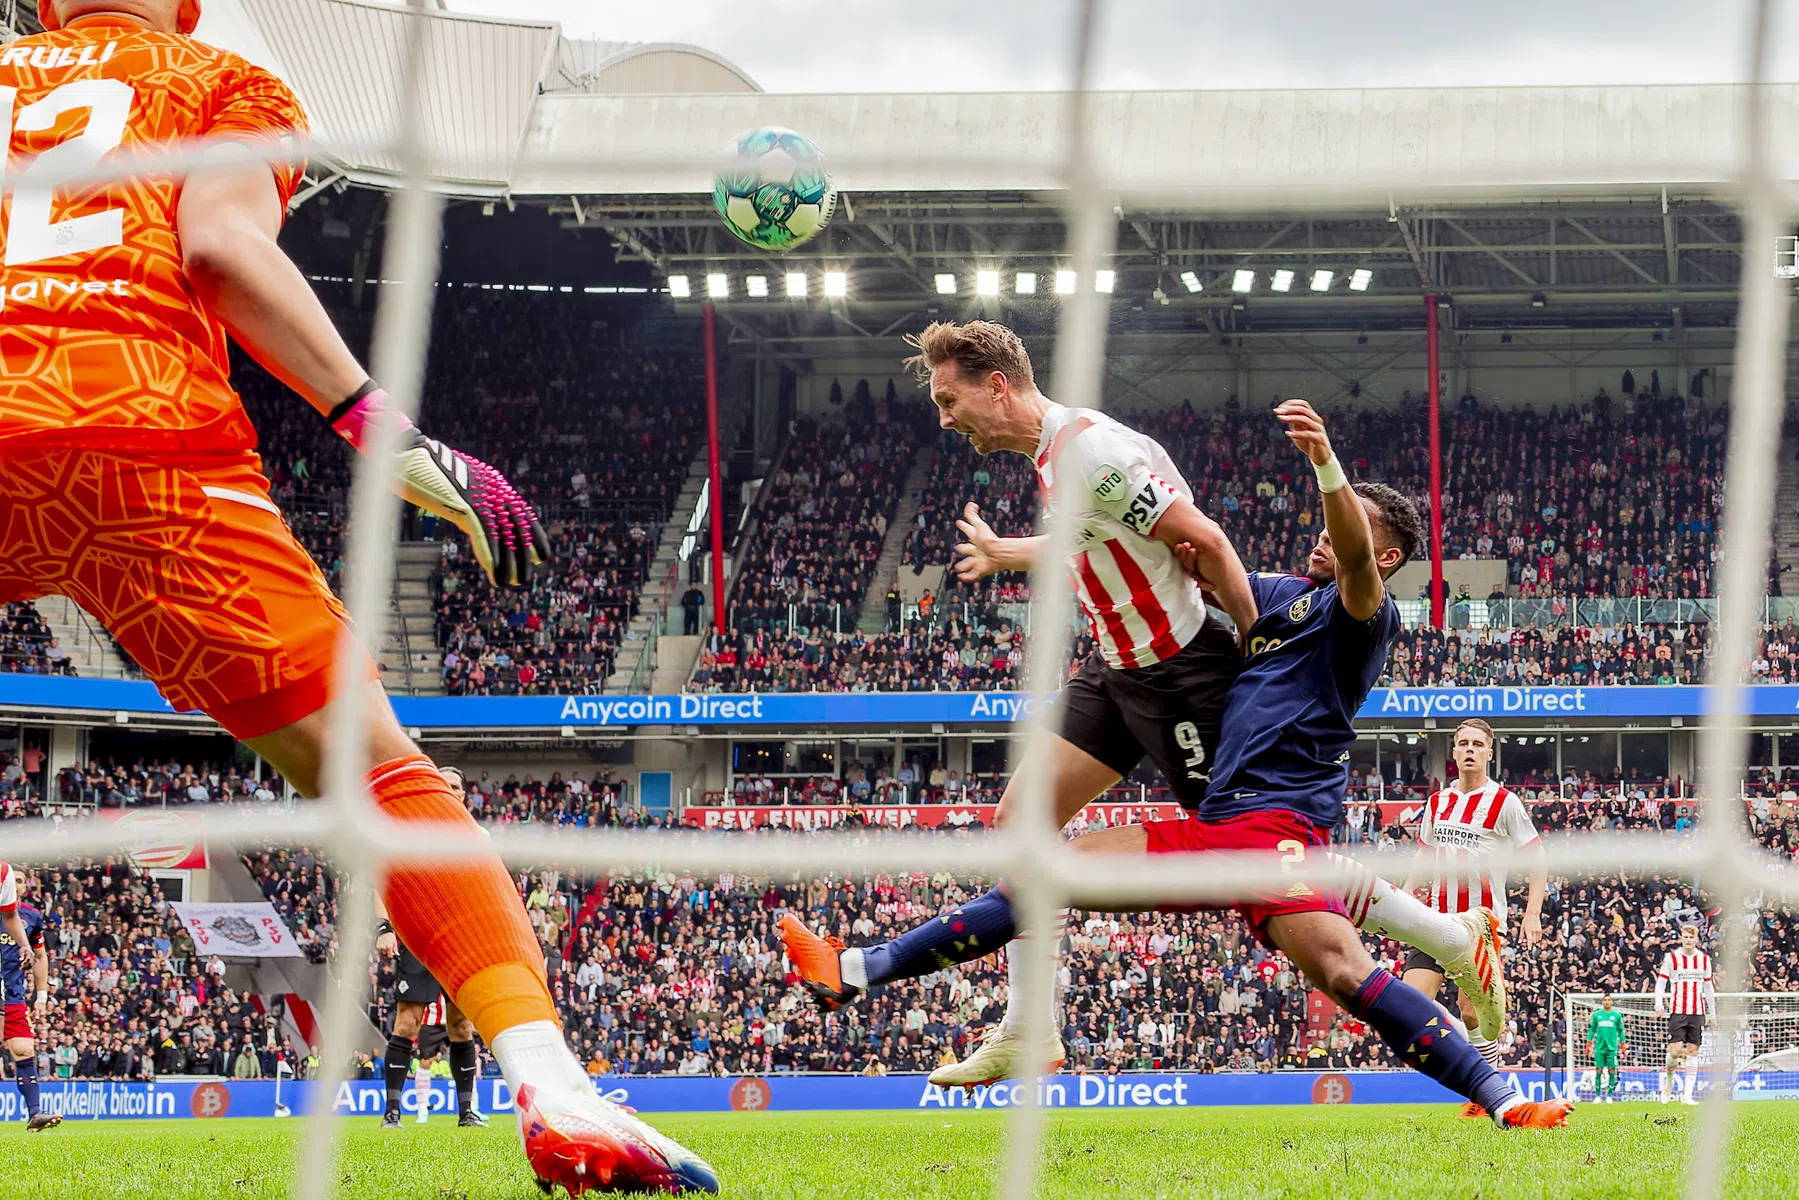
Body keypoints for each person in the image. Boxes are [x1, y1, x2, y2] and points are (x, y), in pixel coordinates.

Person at [0, 6, 713, 1192]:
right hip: (142, 440)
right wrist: (386, 433)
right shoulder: (220, 78)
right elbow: (223, 251)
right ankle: (553, 1086)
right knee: (377, 776)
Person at [782, 385, 1515, 1114]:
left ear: (1386, 554)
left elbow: (1350, 556)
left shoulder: (1363, 613)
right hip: (1231, 808)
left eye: (1348, 524)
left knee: (1333, 959)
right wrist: (1016, 551)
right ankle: (876, 975)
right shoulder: (1281, 593)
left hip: (1274, 809)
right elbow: (1157, 546)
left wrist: (1326, 466)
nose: (1325, 532)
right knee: (1048, 862)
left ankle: (1477, 1032)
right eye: (1331, 516)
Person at [1399, 717, 1546, 1112]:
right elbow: (1425, 855)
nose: (1469, 750)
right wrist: (1406, 893)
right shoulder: (1437, 802)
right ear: (1453, 752)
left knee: (1470, 1009)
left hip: (1478, 924)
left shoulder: (1505, 803)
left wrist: (1532, 914)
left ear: (1489, 753)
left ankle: (1486, 1088)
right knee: (1410, 1006)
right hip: (1433, 920)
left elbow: (1538, 861)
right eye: (1462, 743)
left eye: (1477, 744)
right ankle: (1481, 1068)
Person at [377, 769, 484, 1130]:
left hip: (462, 940)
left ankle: (467, 1113)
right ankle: (392, 1113)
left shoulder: (478, 836)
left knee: (461, 1024)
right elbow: (381, 882)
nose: (449, 791)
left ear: (464, 794)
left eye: (455, 786)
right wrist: (384, 928)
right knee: (408, 1022)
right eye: (443, 785)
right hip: (418, 937)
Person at [0, 865, 56, 1131]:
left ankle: (35, 1114)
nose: (16, 884)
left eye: (20, 881)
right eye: (15, 880)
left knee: (24, 1049)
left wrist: (41, 994)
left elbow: (40, 956)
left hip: (13, 994)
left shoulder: (30, 917)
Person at [1654, 922, 1715, 1105]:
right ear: (1682, 938)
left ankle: (1687, 1096)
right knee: (1674, 1050)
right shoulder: (1672, 958)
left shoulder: (1704, 959)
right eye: (1685, 937)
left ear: (1697, 939)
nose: (1688, 940)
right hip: (1678, 1010)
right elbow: (1660, 982)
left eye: (1691, 937)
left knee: (1693, 1051)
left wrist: (1713, 1014)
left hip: (1697, 1011)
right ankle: (1670, 1080)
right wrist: (1658, 1003)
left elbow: (1708, 987)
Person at [1589, 994, 1625, 1103]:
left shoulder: (1617, 1016)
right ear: (1602, 1002)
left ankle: (1609, 1095)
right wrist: (1588, 1042)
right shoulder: (1597, 1015)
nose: (1607, 1002)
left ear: (1612, 1002)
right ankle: (1598, 1095)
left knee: (1611, 1071)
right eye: (1605, 1000)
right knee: (1598, 1071)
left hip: (1612, 1048)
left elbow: (1621, 1030)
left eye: (1609, 1000)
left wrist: (1623, 1044)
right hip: (1599, 1048)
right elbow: (1592, 1030)